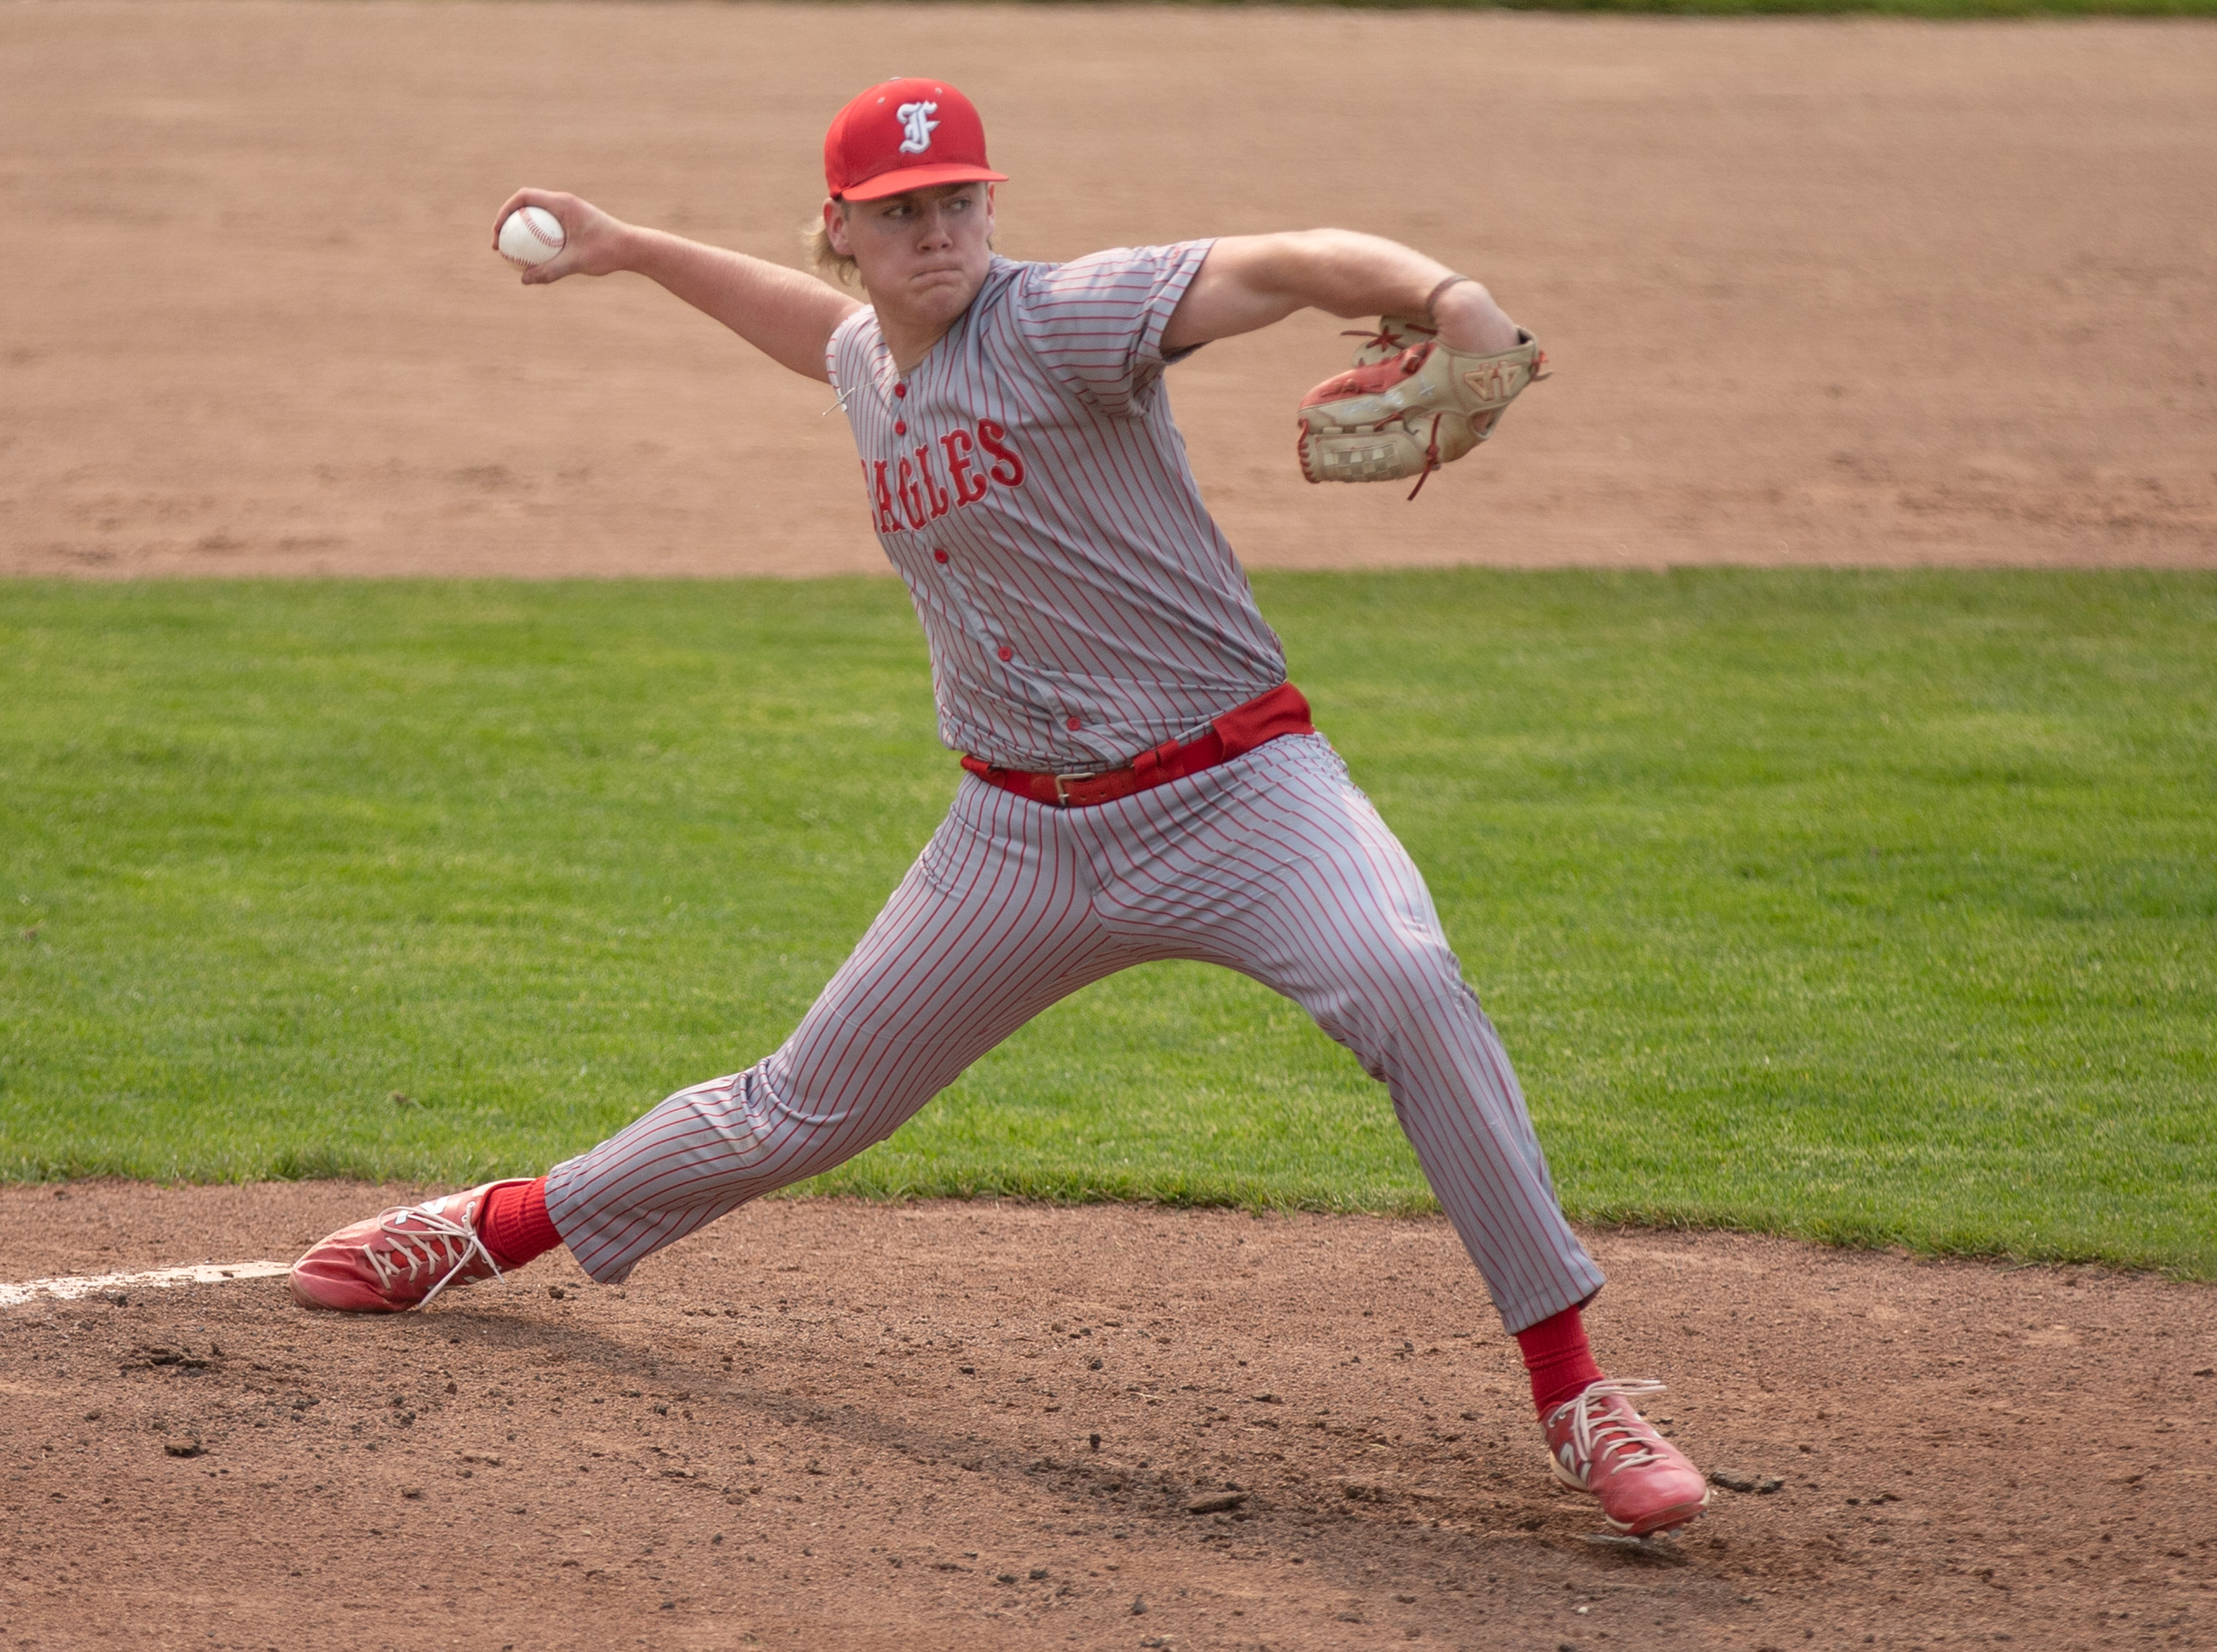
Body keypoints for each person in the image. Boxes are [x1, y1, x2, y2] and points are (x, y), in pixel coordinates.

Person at [290, 77, 1710, 1537]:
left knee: (1406, 977)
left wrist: (1456, 302)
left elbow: (1287, 263)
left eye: (958, 198)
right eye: (900, 212)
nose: (938, 230)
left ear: (990, 203)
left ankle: (1576, 1388)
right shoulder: (869, 358)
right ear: (844, 228)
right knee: (800, 1103)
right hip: (1017, 837)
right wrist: (633, 246)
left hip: (1238, 792)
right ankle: (487, 1224)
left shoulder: (1067, 318)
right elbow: (820, 335)